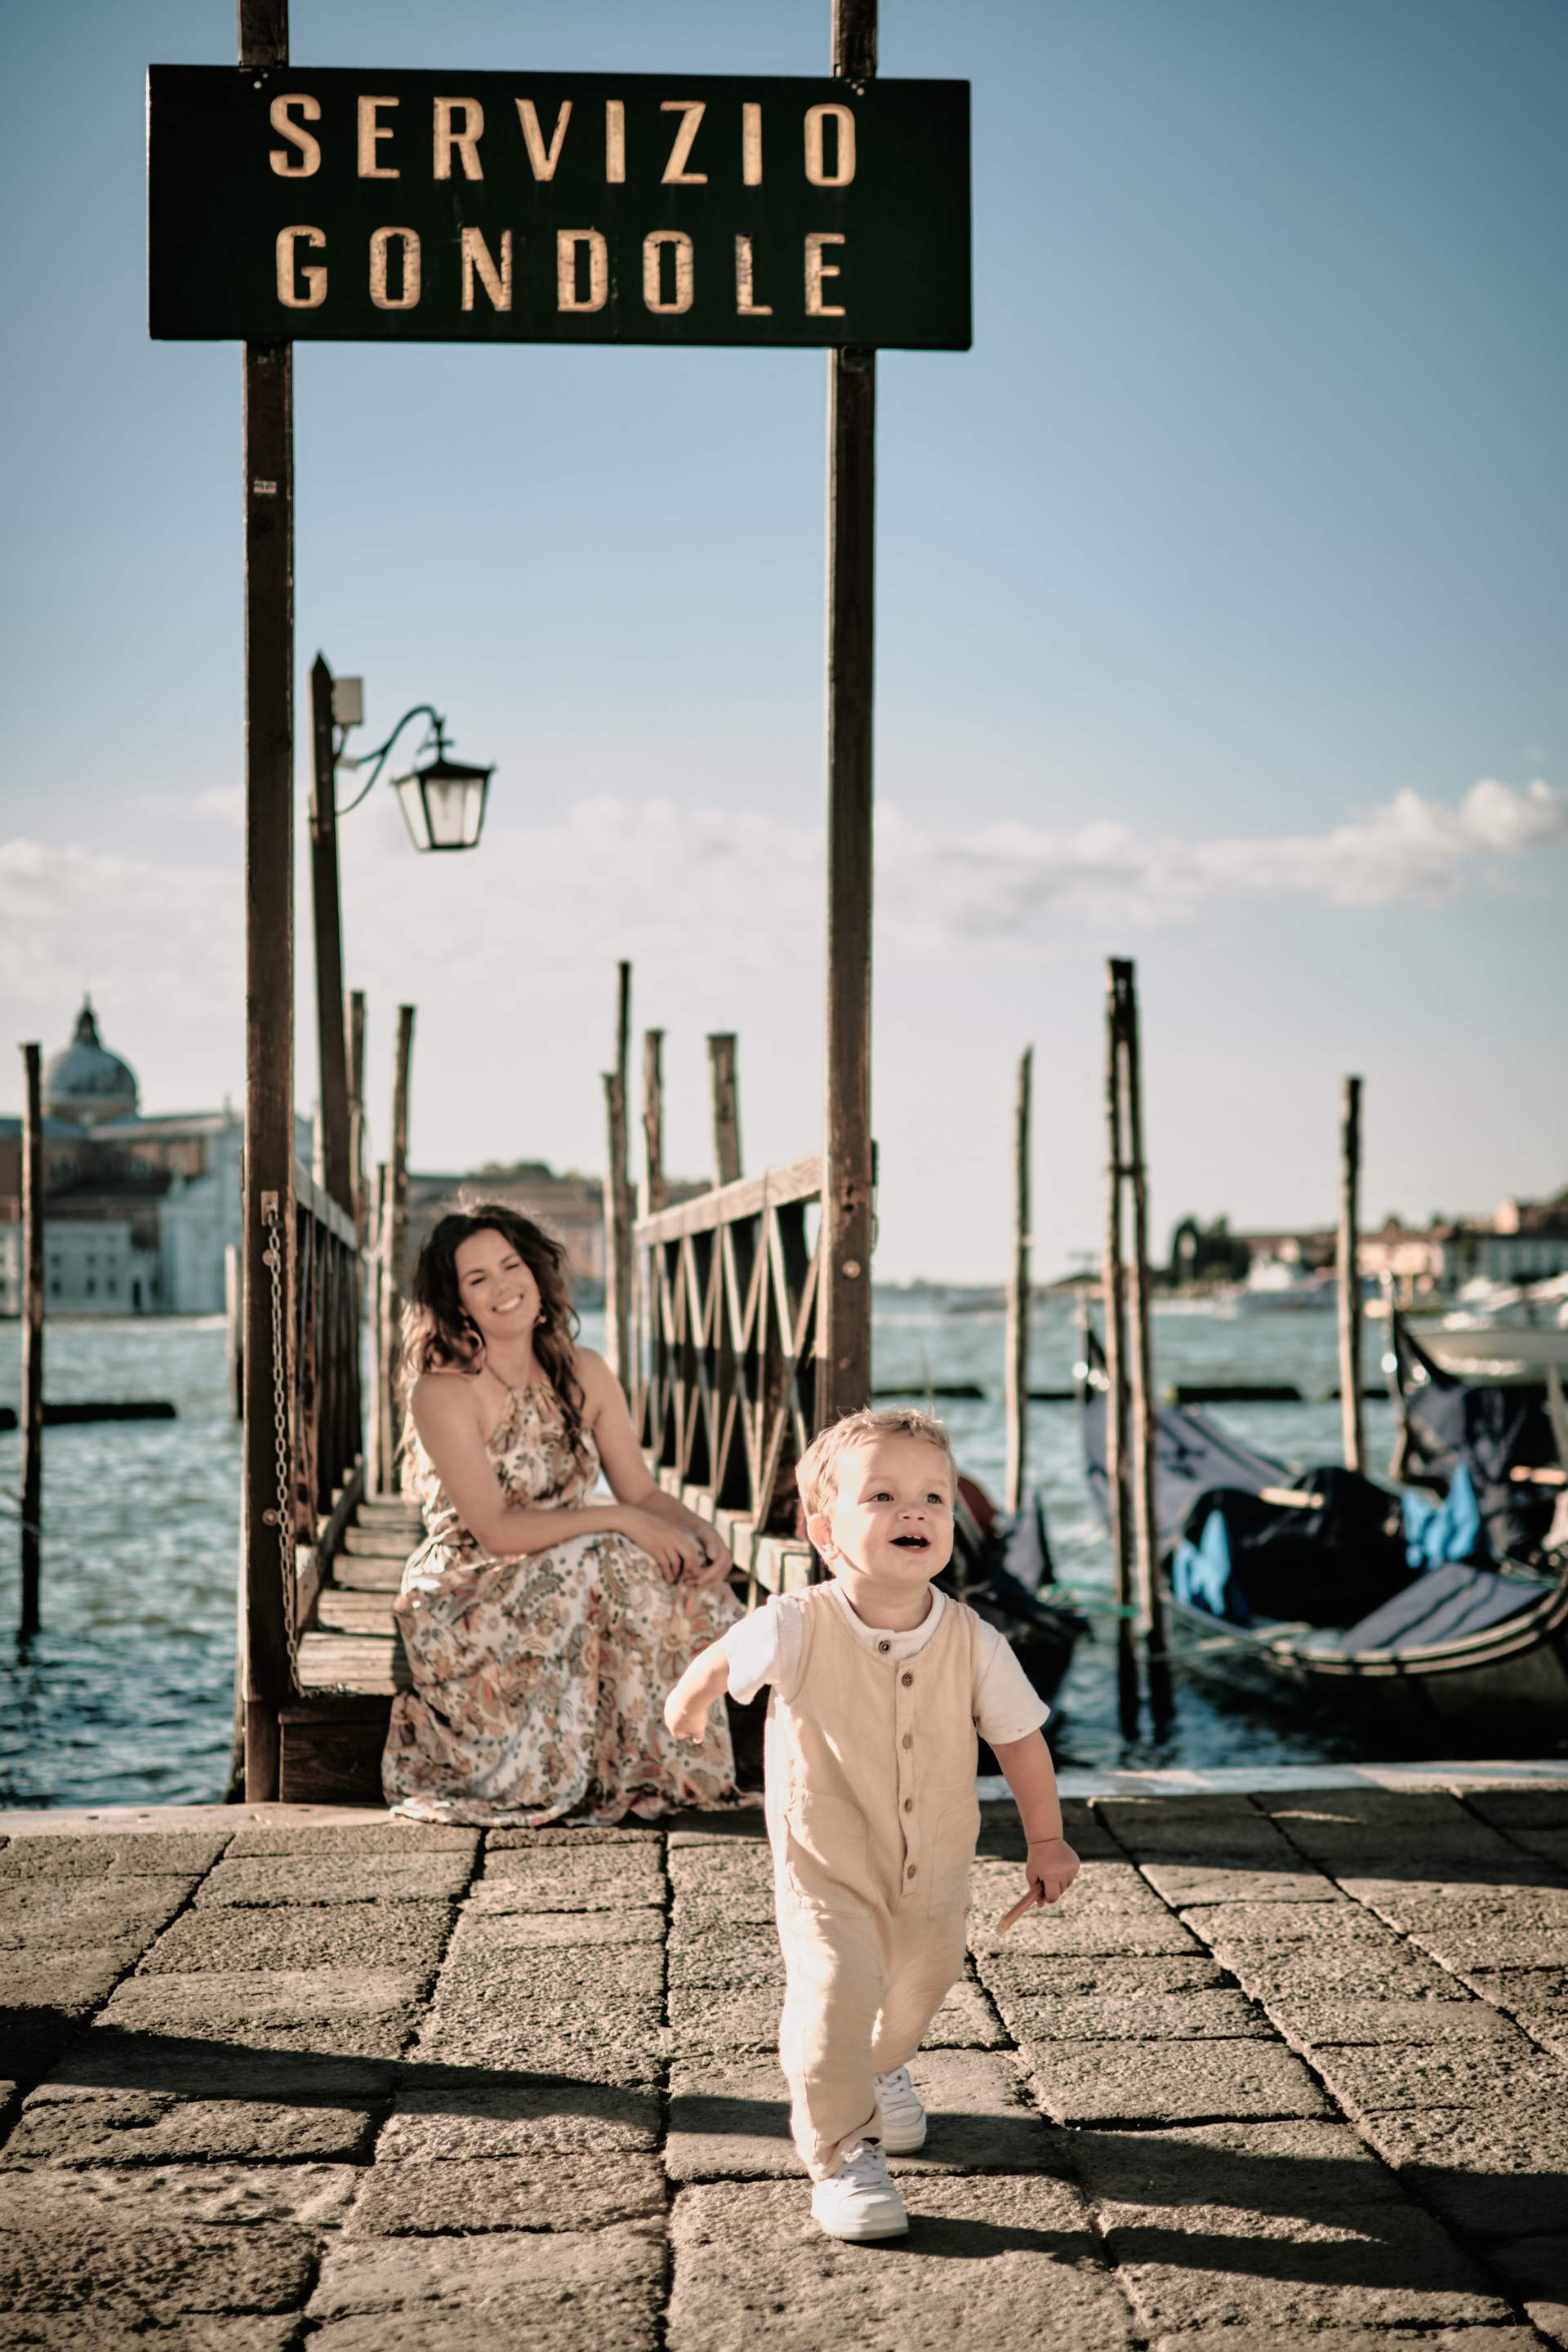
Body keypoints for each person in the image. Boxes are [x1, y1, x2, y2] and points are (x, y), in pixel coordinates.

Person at [664, 1405, 1080, 2242]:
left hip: (935, 1872)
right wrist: (690, 1703)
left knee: (924, 1985)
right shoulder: (797, 1624)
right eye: (882, 1495)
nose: (912, 1510)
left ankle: (883, 2069)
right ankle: (842, 2153)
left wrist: (1047, 1839)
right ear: (826, 1533)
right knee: (834, 1991)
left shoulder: (974, 1640)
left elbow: (1020, 1743)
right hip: (827, 1866)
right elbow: (720, 1658)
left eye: (932, 1497)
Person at [382, 1205, 743, 1828]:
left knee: (675, 1568)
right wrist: (620, 1521)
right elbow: (495, 1530)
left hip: (573, 1565)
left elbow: (639, 1492)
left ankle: (664, 1770)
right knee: (609, 1554)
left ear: (534, 1272)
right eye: (478, 1279)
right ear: (458, 1303)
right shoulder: (442, 1391)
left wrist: (702, 1532)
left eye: (511, 1266)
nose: (502, 1286)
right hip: (469, 1592)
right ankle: (557, 1770)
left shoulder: (585, 1371)